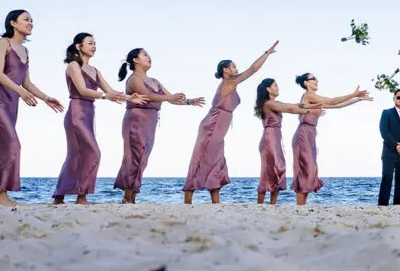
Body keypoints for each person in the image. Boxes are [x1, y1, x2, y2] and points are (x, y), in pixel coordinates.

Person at [0, 10, 64, 206]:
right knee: (5, 145)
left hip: (11, 103)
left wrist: (46, 98)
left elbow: (27, 83)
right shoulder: (3, 43)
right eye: (26, 20)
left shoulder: (25, 51)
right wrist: (20, 92)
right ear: (13, 23)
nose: (30, 23)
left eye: (32, 20)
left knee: (5, 146)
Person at [54, 32, 146, 205]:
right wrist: (104, 96)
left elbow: (110, 91)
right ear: (78, 46)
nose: (94, 46)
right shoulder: (74, 66)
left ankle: (63, 196)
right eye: (90, 43)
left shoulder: (95, 71)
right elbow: (82, 90)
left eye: (95, 43)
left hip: (89, 112)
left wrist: (129, 98)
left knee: (77, 155)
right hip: (76, 111)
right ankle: (78, 195)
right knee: (92, 152)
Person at [183, 41, 279, 204]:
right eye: (233, 67)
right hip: (213, 124)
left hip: (219, 126)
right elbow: (252, 70)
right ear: (225, 70)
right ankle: (188, 200)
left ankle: (215, 201)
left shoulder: (230, 83)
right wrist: (266, 53)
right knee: (203, 158)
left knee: (216, 160)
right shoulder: (230, 82)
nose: (236, 69)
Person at [114, 48, 204, 203]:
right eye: (145, 55)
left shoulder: (154, 81)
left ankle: (132, 196)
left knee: (143, 157)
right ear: (135, 60)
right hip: (136, 119)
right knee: (135, 155)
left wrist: (189, 102)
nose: (149, 57)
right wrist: (169, 96)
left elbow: (171, 99)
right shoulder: (134, 78)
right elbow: (147, 96)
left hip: (151, 121)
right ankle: (127, 197)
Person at [292, 74, 372, 205]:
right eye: (313, 79)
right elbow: (334, 101)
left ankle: (302, 206)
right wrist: (353, 94)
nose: (317, 80)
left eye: (317, 78)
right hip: (304, 134)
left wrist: (357, 99)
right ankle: (299, 206)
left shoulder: (315, 100)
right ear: (306, 83)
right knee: (304, 169)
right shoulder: (308, 96)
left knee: (310, 169)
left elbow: (337, 106)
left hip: (310, 134)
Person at [254, 78, 323, 205]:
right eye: (275, 85)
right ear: (268, 89)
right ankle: (260, 205)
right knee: (268, 171)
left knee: (278, 169)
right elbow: (290, 109)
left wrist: (313, 105)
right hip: (269, 140)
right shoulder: (269, 103)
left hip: (275, 139)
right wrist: (309, 111)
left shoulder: (275, 103)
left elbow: (293, 106)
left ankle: (272, 205)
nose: (278, 87)